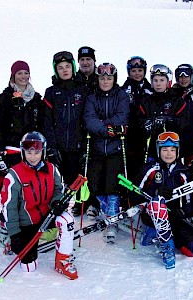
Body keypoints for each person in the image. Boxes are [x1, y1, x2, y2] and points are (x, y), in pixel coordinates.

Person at [0, 131, 78, 279]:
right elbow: (9, 208)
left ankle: (62, 260)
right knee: (29, 268)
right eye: (29, 152)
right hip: (26, 223)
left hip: (47, 216)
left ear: (43, 152)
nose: (33, 156)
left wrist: (57, 202)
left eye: (37, 152)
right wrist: (15, 234)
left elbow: (58, 190)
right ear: (23, 152)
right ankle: (8, 237)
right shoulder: (14, 175)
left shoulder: (51, 169)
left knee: (67, 220)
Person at [137, 131, 193, 269]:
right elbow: (135, 194)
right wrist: (155, 192)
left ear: (177, 151)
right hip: (152, 216)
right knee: (157, 204)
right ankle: (164, 245)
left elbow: (191, 199)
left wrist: (184, 211)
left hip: (175, 217)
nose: (168, 153)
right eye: (165, 150)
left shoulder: (183, 172)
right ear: (158, 151)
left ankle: (170, 237)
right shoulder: (150, 169)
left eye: (172, 150)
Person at [83, 62, 129, 242]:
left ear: (114, 79)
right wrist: (108, 128)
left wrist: (103, 124)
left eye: (109, 78)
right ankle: (106, 211)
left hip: (115, 148)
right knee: (94, 184)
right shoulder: (92, 98)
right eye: (102, 77)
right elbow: (89, 120)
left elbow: (122, 117)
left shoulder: (121, 96)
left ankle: (112, 220)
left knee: (112, 185)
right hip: (96, 148)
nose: (105, 81)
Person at [42, 51, 90, 216]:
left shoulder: (83, 90)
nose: (65, 70)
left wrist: (85, 145)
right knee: (57, 182)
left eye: (68, 66)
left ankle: (79, 205)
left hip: (77, 145)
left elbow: (87, 118)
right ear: (56, 70)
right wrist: (52, 147)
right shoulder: (51, 92)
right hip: (59, 146)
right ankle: (57, 206)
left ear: (73, 67)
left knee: (76, 179)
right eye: (60, 68)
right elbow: (46, 122)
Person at [0, 60, 43, 192]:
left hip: (31, 150)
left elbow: (41, 125)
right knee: (11, 185)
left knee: (30, 186)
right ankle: (8, 210)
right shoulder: (3, 99)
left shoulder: (36, 100)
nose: (23, 76)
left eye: (26, 73)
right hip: (10, 150)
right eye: (19, 73)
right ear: (13, 76)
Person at [138, 64, 188, 162]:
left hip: (172, 148)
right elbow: (139, 121)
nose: (158, 84)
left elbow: (184, 122)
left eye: (162, 80)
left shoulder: (177, 100)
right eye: (155, 80)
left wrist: (168, 120)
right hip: (152, 148)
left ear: (167, 82)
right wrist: (147, 123)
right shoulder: (146, 101)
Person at [121, 56, 153, 183]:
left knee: (143, 167)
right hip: (128, 134)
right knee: (128, 166)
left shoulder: (149, 89)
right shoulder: (124, 89)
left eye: (140, 70)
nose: (137, 74)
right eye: (134, 71)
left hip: (145, 134)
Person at [172, 64, 193, 165]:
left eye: (186, 76)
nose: (183, 79)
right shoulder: (171, 96)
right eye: (180, 77)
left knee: (190, 167)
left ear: (191, 77)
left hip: (191, 140)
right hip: (174, 138)